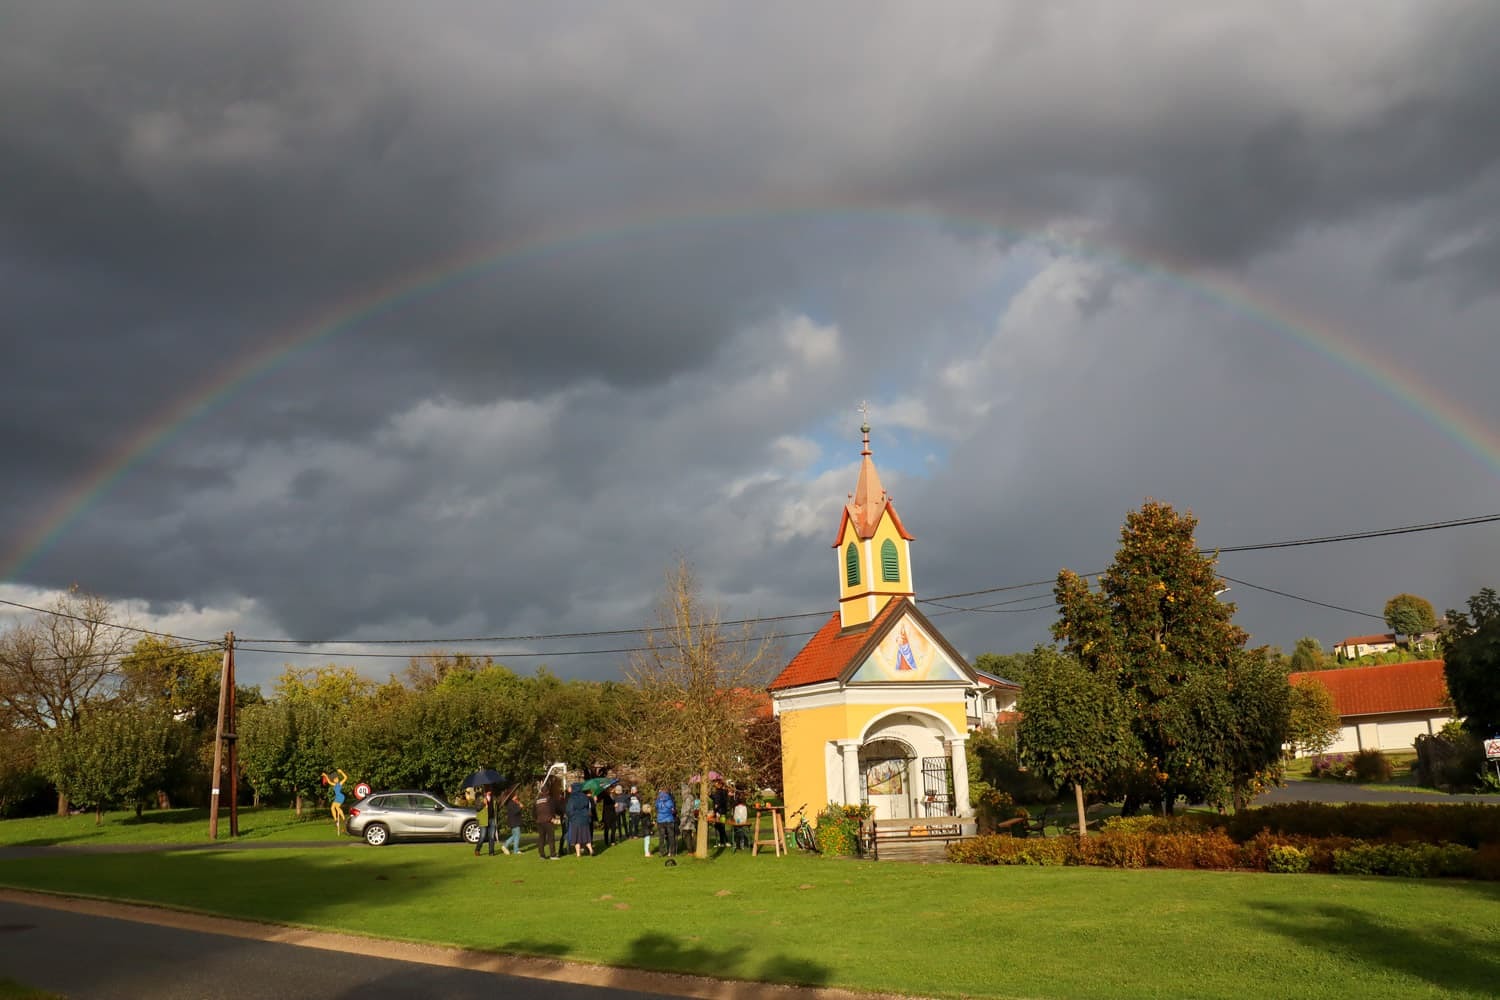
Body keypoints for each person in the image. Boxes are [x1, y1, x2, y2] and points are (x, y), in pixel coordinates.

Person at [565, 782, 594, 857]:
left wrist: (571, 816)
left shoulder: (572, 798)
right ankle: (591, 849)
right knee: (586, 836)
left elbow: (569, 809)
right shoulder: (585, 796)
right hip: (585, 819)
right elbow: (588, 807)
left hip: (575, 820)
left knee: (576, 838)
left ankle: (578, 854)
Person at [320, 769, 348, 834]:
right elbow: (329, 781)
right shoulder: (334, 784)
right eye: (335, 779)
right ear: (334, 780)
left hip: (341, 797)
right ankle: (336, 820)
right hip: (337, 797)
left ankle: (344, 819)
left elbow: (346, 777)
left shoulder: (340, 783)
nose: (336, 779)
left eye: (337, 778)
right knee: (332, 808)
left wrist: (341, 772)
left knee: (337, 807)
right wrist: (325, 775)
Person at [534, 790, 559, 860]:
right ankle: (553, 855)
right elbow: (553, 809)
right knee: (551, 838)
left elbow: (534, 812)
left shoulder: (537, 800)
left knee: (541, 839)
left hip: (539, 822)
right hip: (548, 821)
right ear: (547, 791)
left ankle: (542, 855)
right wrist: (553, 818)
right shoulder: (549, 799)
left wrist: (537, 819)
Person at [474, 787, 498, 857]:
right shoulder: (480, 798)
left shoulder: (494, 798)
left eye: (490, 789)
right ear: (485, 791)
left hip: (492, 819)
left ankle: (491, 852)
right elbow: (477, 808)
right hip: (483, 819)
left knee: (492, 836)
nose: (490, 791)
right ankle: (477, 850)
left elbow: (496, 808)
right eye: (488, 789)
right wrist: (483, 804)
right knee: (482, 836)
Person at [654, 787, 677, 857]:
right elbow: (673, 810)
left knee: (661, 837)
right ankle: (672, 852)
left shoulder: (658, 799)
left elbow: (656, 807)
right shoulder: (670, 800)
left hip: (660, 820)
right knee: (671, 836)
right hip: (669, 820)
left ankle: (661, 852)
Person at [502, 789, 523, 856]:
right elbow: (515, 812)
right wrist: (520, 807)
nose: (517, 796)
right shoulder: (511, 803)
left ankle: (512, 848)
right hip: (514, 822)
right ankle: (512, 848)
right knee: (517, 835)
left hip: (513, 822)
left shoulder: (512, 803)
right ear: (512, 796)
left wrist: (518, 803)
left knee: (515, 835)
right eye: (515, 795)